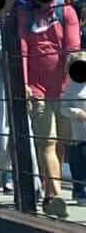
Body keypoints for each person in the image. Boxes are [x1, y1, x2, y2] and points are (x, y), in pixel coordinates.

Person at [19, 0, 80, 219]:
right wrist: (23, 83)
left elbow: (73, 47)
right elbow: (22, 47)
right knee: (47, 142)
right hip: (37, 88)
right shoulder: (26, 13)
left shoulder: (66, 12)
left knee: (61, 143)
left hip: (64, 89)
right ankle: (56, 196)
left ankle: (48, 191)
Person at [64, 51, 86, 207]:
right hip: (78, 131)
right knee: (78, 160)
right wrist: (76, 112)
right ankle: (80, 190)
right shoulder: (72, 87)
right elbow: (63, 108)